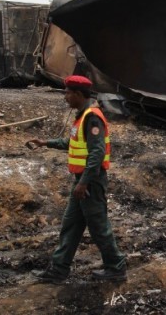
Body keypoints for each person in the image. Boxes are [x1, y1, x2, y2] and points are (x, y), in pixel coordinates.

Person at [30, 75, 126, 282]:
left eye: (67, 93)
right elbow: (72, 143)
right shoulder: (82, 117)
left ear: (79, 94)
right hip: (82, 180)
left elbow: (97, 153)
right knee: (71, 224)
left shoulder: (92, 118)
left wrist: (84, 183)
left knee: (98, 226)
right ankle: (58, 270)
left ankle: (116, 267)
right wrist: (45, 143)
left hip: (90, 181)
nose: (65, 97)